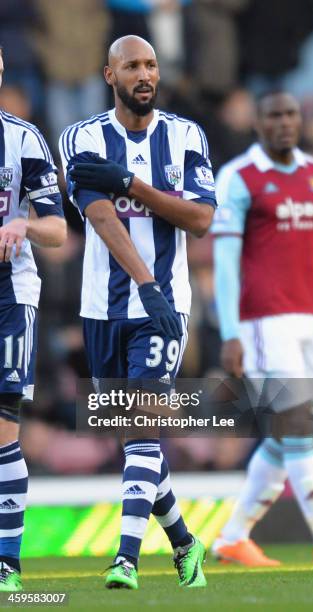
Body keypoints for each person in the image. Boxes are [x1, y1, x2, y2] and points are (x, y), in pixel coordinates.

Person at [59, 35, 216, 590]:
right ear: (109, 75)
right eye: (132, 67)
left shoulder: (186, 135)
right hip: (104, 306)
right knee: (134, 441)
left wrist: (131, 183)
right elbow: (100, 217)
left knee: (144, 428)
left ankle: (125, 557)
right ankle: (185, 545)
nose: (145, 74)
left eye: (151, 64)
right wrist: (141, 279)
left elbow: (198, 220)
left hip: (164, 306)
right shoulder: (80, 137)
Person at [211, 91, 313, 566]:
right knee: (297, 428)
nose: (284, 123)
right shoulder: (239, 176)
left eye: (290, 114)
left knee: (287, 436)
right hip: (263, 321)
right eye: (273, 115)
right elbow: (223, 263)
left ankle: (233, 538)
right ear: (257, 123)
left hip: (312, 320)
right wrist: (231, 330)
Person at [0, 47, 66, 591]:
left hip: (9, 294)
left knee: (2, 431)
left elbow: (59, 229)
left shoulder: (23, 139)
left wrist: (23, 225)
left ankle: (8, 565)